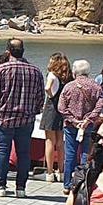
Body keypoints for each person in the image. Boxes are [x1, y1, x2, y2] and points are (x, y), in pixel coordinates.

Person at [0, 39, 44, 198]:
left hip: (3, 117)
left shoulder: (1, 69)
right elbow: (40, 97)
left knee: (3, 151)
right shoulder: (35, 71)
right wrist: (33, 111)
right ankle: (21, 188)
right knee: (24, 153)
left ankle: (1, 186)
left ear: (8, 51)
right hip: (26, 118)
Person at [58, 59, 103, 193]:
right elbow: (99, 105)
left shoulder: (68, 87)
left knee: (70, 154)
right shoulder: (96, 86)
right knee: (86, 154)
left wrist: (73, 120)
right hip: (88, 125)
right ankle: (83, 182)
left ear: (74, 72)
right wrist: (88, 119)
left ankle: (67, 185)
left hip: (71, 126)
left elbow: (61, 108)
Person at [41, 52, 72, 183]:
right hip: (62, 109)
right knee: (60, 142)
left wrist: (49, 94)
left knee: (49, 141)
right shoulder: (67, 77)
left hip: (51, 108)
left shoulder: (52, 75)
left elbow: (48, 87)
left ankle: (49, 172)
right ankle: (61, 171)